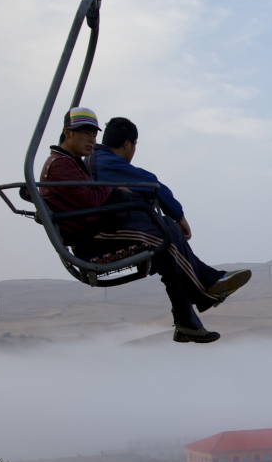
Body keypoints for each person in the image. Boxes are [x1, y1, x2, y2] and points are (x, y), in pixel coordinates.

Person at [39, 107, 250, 343]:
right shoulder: (60, 165)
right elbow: (91, 198)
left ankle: (187, 322)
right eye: (85, 133)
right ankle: (206, 290)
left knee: (167, 232)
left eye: (94, 134)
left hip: (98, 226)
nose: (91, 140)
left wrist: (110, 190)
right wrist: (113, 188)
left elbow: (91, 194)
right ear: (68, 133)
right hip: (93, 238)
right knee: (166, 238)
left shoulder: (73, 163)